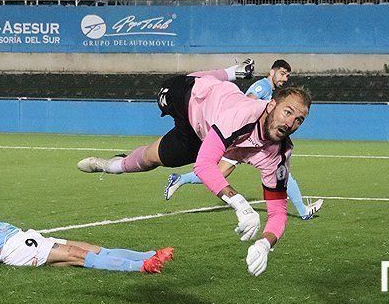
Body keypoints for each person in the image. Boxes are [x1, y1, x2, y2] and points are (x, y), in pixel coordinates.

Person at [77, 64, 311, 277]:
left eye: (299, 119)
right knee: (169, 91)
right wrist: (239, 203)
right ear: (271, 105)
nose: (290, 123)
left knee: (150, 159)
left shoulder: (278, 153)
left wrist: (265, 244)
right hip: (189, 94)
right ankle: (229, 72)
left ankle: (109, 166)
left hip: (201, 134)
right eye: (287, 112)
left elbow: (278, 213)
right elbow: (204, 165)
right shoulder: (243, 116)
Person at [164, 59, 323, 220]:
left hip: (248, 140)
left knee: (220, 173)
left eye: (287, 76)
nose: (284, 79)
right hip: (240, 137)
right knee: (281, 174)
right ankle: (303, 212)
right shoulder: (263, 86)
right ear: (272, 72)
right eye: (282, 74)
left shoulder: (273, 92)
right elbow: (246, 103)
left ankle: (181, 179)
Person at [0, 175, 173, 274]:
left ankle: (148, 255)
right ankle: (143, 267)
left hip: (23, 237)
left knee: (89, 248)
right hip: (12, 248)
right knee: (76, 254)